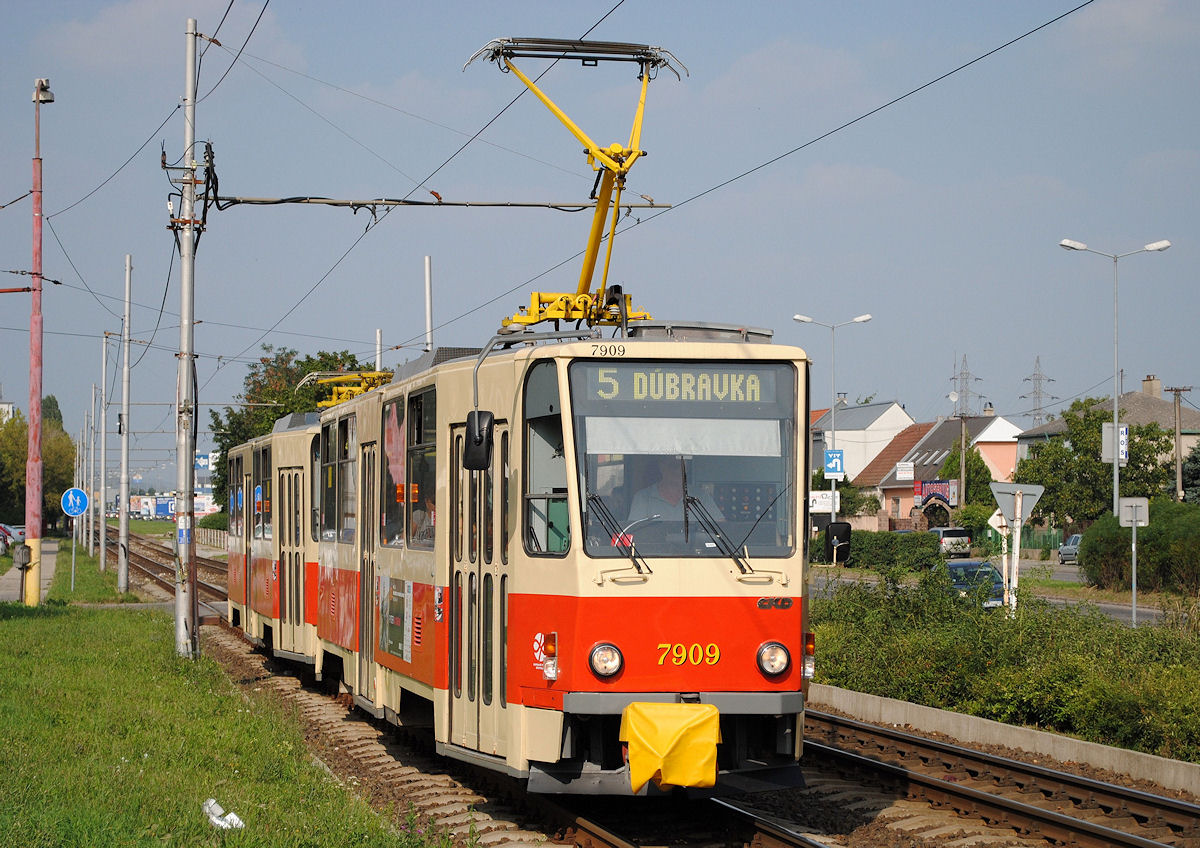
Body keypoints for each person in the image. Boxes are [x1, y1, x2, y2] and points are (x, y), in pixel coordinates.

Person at [626, 455, 724, 524]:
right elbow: (635, 534)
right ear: (661, 467)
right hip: (654, 553)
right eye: (673, 466)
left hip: (695, 552)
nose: (679, 471)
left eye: (683, 466)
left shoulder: (701, 497)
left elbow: (722, 529)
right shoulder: (643, 498)